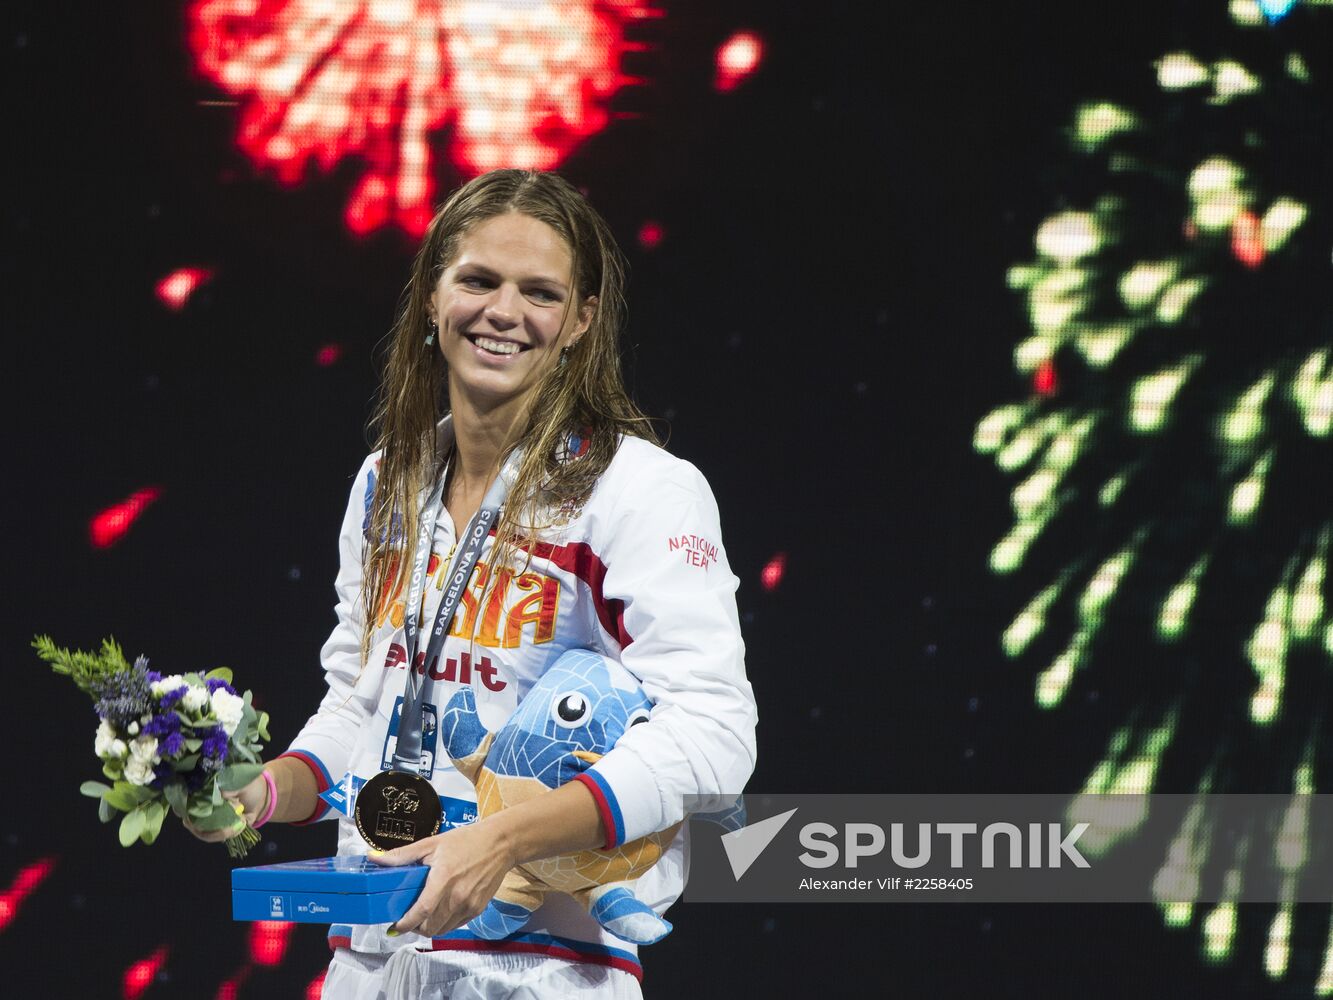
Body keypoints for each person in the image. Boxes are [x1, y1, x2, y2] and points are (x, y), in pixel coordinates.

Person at [191, 169, 757, 998]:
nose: (503, 313)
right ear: (430, 295)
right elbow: (361, 698)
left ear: (579, 322)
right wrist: (268, 790)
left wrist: (503, 839)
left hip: (543, 968)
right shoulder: (387, 482)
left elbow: (715, 732)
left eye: (539, 293)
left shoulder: (640, 490)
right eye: (479, 280)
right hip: (372, 960)